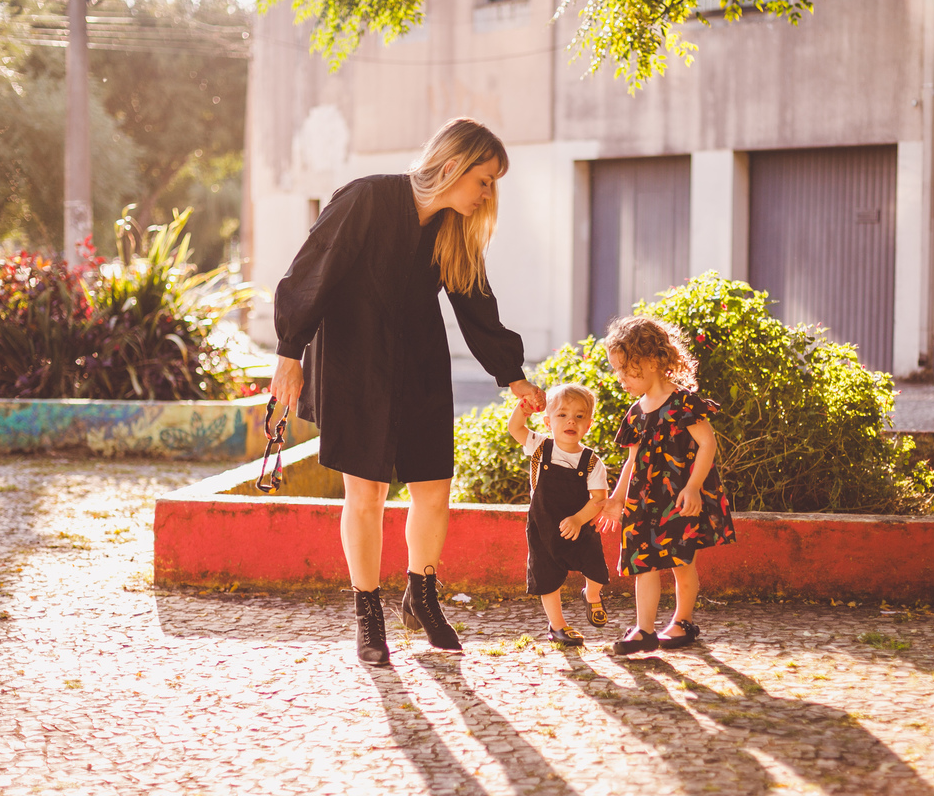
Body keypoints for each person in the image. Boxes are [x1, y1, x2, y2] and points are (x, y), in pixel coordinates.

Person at [269, 117, 546, 666]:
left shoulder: (452, 230)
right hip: (355, 364)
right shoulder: (366, 199)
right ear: (451, 167)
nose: (487, 194)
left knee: (433, 490)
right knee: (366, 495)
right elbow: (310, 272)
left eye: (492, 184)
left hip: (420, 363)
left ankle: (421, 592)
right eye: (483, 180)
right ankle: (367, 613)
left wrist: (511, 373)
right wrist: (289, 352)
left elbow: (474, 301)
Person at [597, 315, 736, 654]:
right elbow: (631, 461)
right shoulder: (635, 413)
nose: (620, 378)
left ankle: (682, 621)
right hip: (644, 501)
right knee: (643, 563)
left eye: (626, 369)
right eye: (616, 370)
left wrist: (692, 487)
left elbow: (708, 445)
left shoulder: (684, 403)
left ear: (654, 361)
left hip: (677, 499)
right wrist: (616, 499)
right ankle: (643, 630)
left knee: (680, 562)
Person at [507, 384, 611, 646]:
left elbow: (599, 498)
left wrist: (579, 519)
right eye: (562, 415)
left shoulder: (591, 461)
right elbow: (515, 428)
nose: (570, 421)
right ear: (548, 421)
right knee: (547, 577)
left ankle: (592, 594)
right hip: (544, 527)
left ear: (588, 424)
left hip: (580, 524)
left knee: (596, 568)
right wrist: (524, 407)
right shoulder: (540, 447)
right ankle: (558, 626)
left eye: (579, 416)